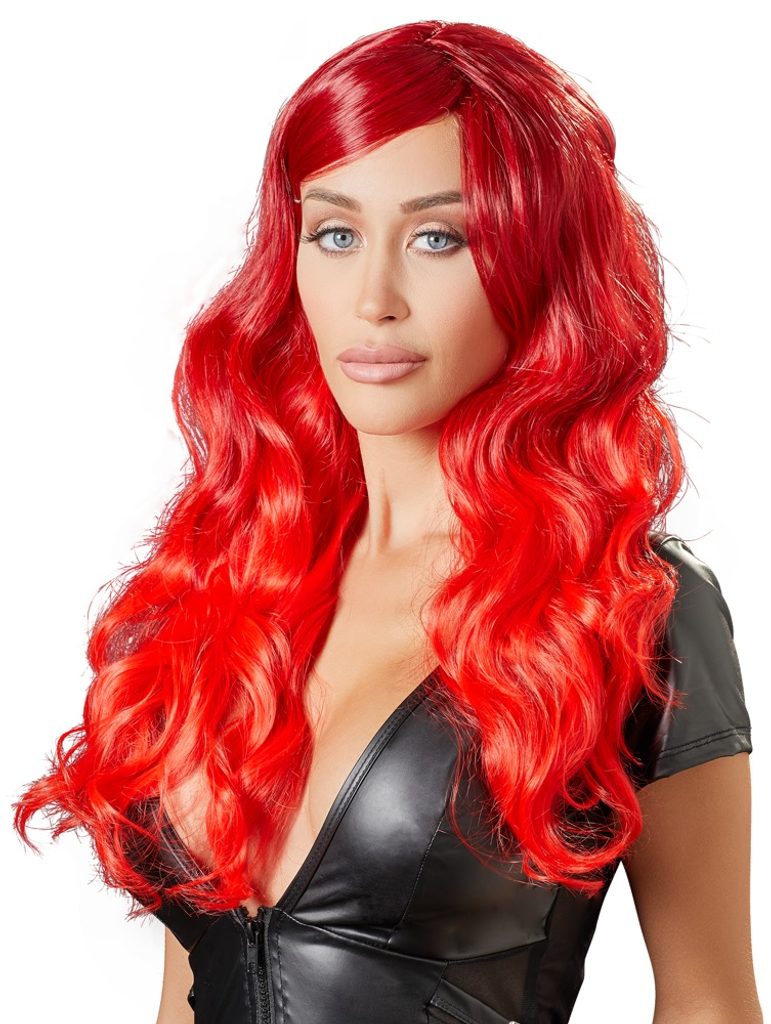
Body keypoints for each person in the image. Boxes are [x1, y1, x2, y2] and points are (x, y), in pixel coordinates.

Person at [12, 19, 761, 1024]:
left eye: (439, 238)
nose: (373, 299)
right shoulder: (217, 590)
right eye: (335, 233)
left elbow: (710, 1004)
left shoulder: (630, 608)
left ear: (539, 265)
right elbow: (185, 994)